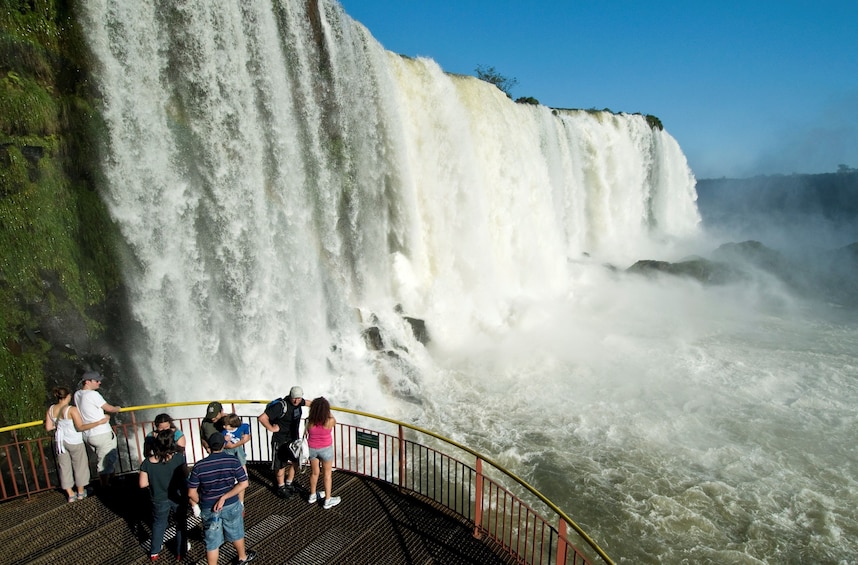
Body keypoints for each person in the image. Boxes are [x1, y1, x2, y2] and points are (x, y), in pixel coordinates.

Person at [187, 433, 257, 565]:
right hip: (231, 505)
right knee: (236, 532)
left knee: (212, 542)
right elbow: (244, 483)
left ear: (208, 447)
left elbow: (191, 493)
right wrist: (225, 497)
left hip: (209, 507)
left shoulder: (199, 466)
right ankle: (242, 558)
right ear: (223, 445)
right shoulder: (232, 461)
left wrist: (201, 502)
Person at [44, 386, 109, 502]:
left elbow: (48, 427)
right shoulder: (71, 409)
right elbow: (80, 427)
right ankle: (80, 492)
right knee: (80, 466)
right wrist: (99, 422)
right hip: (74, 441)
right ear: (68, 396)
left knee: (64, 467)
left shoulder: (51, 409)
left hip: (60, 442)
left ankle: (70, 494)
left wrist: (60, 426)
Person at [139, 429, 188, 561]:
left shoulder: (147, 463)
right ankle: (180, 553)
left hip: (158, 498)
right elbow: (185, 475)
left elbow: (142, 484)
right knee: (180, 523)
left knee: (159, 524)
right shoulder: (178, 458)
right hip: (177, 496)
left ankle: (154, 552)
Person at [257, 386, 312, 498]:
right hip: (280, 440)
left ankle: (289, 483)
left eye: (298, 398)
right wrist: (272, 428)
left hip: (293, 439)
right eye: (294, 398)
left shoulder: (300, 402)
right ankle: (281, 487)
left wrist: (321, 409)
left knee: (296, 460)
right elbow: (262, 418)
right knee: (280, 464)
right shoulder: (281, 406)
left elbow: (311, 403)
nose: (296, 401)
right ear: (289, 396)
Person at [74, 371, 122, 487]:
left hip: (88, 434)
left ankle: (112, 480)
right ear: (87, 382)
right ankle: (105, 486)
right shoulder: (93, 395)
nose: (99, 382)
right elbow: (109, 408)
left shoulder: (77, 394)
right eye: (96, 381)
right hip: (101, 433)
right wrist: (118, 408)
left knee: (105, 457)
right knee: (105, 460)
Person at [305, 397, 341, 509]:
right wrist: (326, 410)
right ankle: (328, 500)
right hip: (326, 449)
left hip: (312, 449)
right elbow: (334, 419)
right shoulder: (329, 421)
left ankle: (312, 495)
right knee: (327, 475)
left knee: (315, 473)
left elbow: (307, 431)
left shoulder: (310, 421)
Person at [222, 413, 250, 506]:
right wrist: (225, 440)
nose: (224, 426)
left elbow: (246, 426)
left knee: (241, 457)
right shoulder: (224, 432)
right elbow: (223, 442)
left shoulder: (241, 427)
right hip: (229, 450)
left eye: (226, 425)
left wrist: (246, 434)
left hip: (237, 449)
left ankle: (244, 472)